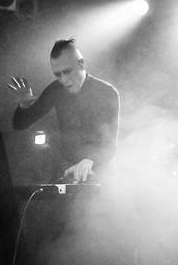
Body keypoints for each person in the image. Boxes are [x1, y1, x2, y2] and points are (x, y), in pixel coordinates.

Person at [7, 38, 120, 184]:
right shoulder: (56, 90)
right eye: (57, 74)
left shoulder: (106, 92)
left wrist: (88, 161)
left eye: (67, 71)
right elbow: (20, 124)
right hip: (68, 171)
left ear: (81, 64)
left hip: (100, 173)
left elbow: (109, 145)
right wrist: (24, 104)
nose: (63, 79)